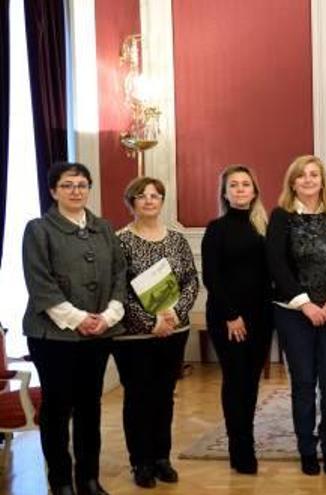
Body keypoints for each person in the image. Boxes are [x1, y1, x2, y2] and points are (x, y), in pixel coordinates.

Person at [22, 161, 126, 495]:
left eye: (81, 185)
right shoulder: (38, 229)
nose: (75, 191)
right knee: (56, 408)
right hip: (52, 336)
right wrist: (79, 318)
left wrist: (107, 316)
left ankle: (89, 479)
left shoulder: (105, 228)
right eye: (67, 185)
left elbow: (119, 276)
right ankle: (61, 482)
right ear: (53, 191)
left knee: (89, 407)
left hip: (99, 333)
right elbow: (41, 284)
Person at [267, 155, 326, 476]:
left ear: (322, 181)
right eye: (301, 176)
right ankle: (307, 448)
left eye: (314, 175)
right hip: (294, 314)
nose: (308, 180)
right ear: (292, 183)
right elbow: (276, 264)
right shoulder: (281, 217)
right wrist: (305, 304)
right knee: (304, 384)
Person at [114, 177, 199, 488]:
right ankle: (141, 462)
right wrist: (150, 323)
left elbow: (191, 280)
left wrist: (174, 315)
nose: (149, 201)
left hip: (175, 330)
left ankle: (162, 458)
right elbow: (119, 291)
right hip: (134, 336)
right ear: (131, 202)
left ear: (162, 201)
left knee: (164, 396)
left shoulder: (177, 239)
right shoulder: (120, 240)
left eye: (155, 195)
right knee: (138, 397)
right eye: (142, 196)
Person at [201, 165, 272, 474]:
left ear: (254, 191)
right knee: (236, 380)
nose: (241, 189)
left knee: (251, 382)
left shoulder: (264, 226)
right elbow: (212, 277)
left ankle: (248, 438)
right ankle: (239, 448)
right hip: (228, 317)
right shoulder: (216, 228)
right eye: (234, 185)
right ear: (225, 193)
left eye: (246, 184)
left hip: (262, 316)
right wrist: (232, 316)